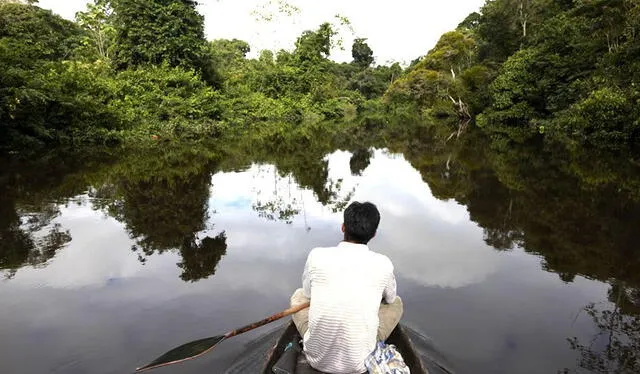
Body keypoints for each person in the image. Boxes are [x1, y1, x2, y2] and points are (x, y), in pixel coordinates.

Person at [290, 201, 403, 374]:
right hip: (359, 365)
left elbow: (307, 293)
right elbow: (389, 299)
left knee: (298, 296)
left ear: (343, 227)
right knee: (396, 303)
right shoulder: (384, 263)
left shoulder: (316, 255)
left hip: (316, 360)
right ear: (374, 234)